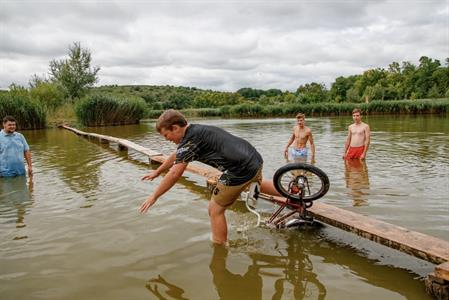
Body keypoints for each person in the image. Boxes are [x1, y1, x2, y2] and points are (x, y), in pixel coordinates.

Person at [139, 109, 278, 245]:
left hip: (240, 169)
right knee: (253, 182)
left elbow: (175, 174)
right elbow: (177, 155)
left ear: (175, 128)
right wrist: (158, 171)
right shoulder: (194, 130)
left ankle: (219, 247)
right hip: (254, 159)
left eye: (166, 135)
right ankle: (294, 195)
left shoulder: (190, 142)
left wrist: (154, 196)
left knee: (214, 210)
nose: (166, 139)